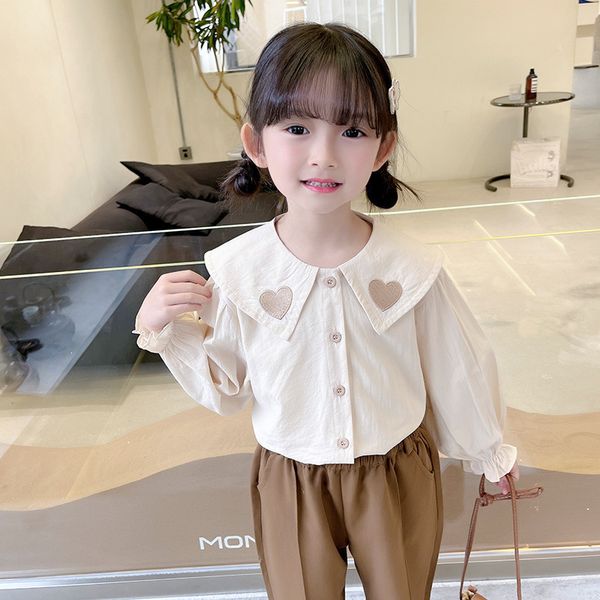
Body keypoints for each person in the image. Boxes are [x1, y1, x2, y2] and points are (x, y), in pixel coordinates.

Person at [134, 22, 519, 600]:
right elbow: (228, 386)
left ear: (383, 148)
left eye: (352, 130)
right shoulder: (240, 271)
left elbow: (456, 365)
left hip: (397, 470)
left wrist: (489, 450)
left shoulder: (413, 268)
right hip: (290, 477)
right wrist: (162, 331)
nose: (323, 155)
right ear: (256, 143)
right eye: (297, 127)